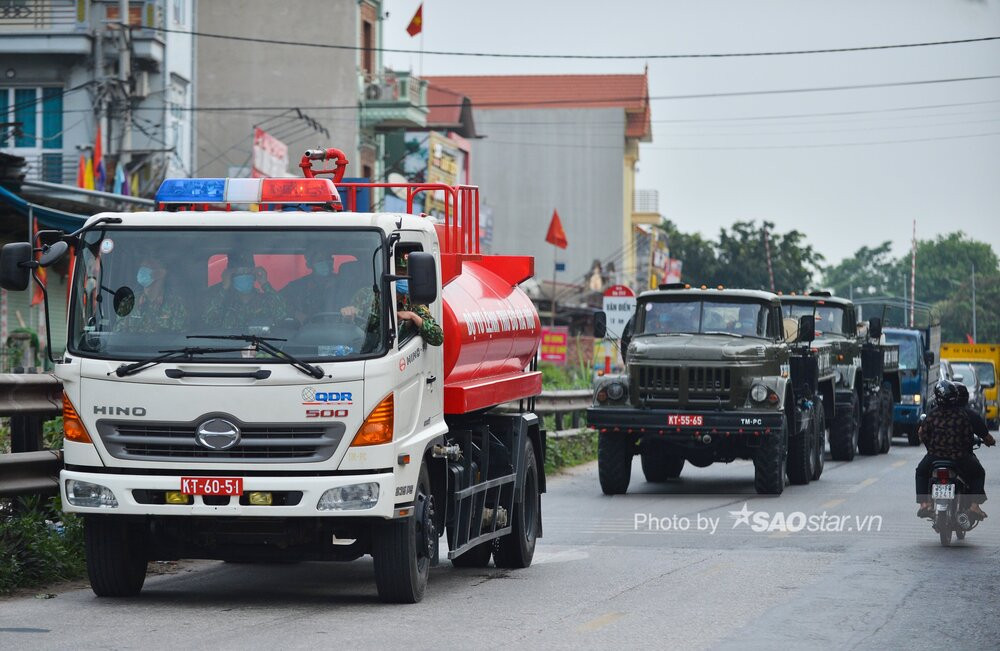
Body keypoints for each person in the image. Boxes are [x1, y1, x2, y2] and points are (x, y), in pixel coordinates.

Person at [915, 380, 995, 520]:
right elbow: (970, 436)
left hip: (934, 458)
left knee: (921, 472)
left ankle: (924, 504)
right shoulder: (964, 415)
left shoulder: (932, 415)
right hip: (960, 458)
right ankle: (974, 506)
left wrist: (931, 447)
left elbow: (922, 434)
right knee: (978, 473)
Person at [343, 250, 442, 346]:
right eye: (400, 274)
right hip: (366, 349)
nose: (405, 278)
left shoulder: (412, 300)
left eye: (407, 275)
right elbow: (347, 326)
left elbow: (438, 338)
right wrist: (348, 316)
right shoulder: (366, 294)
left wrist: (413, 316)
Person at [203, 251, 286, 330]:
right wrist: (224, 287)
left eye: (247, 271)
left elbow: (282, 315)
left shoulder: (266, 301)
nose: (244, 275)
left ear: (254, 274)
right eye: (239, 272)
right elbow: (208, 320)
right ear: (231, 276)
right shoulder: (223, 302)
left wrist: (265, 284)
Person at [116, 254, 187, 333]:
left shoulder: (176, 304)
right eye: (141, 267)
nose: (142, 271)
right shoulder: (128, 302)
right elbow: (118, 334)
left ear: (161, 273)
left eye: (148, 266)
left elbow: (179, 337)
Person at [281, 244, 351, 323]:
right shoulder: (298, 286)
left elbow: (354, 308)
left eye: (327, 259)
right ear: (309, 264)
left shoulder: (343, 284)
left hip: (338, 328)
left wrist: (349, 314)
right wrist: (296, 314)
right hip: (306, 329)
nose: (325, 263)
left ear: (332, 261)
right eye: (320, 260)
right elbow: (280, 303)